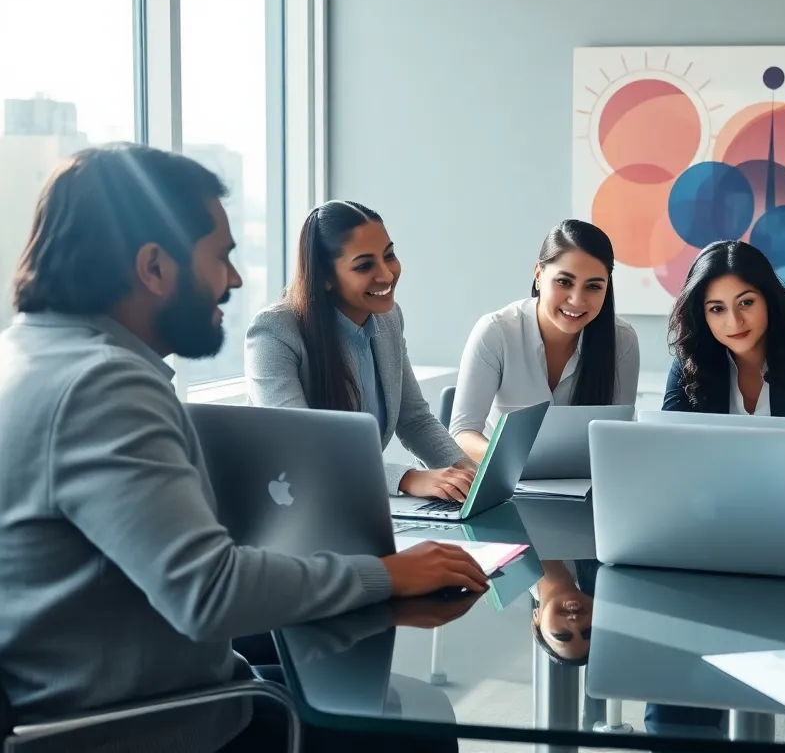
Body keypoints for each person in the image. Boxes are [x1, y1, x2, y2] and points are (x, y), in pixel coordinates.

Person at [0, 143, 490, 753]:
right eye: (221, 257)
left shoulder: (29, 357)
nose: (232, 279)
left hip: (128, 689)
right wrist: (385, 576)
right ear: (154, 267)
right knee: (412, 725)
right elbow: (211, 593)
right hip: (158, 722)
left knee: (346, 680)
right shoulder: (102, 385)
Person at [245, 200, 476, 502]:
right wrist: (407, 478)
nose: (387, 275)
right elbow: (302, 446)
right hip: (285, 503)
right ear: (325, 277)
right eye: (364, 265)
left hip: (354, 501)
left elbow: (414, 420)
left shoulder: (388, 320)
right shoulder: (274, 331)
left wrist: (469, 472)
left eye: (389, 255)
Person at [449, 220, 639, 462]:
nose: (577, 300)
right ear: (538, 275)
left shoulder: (623, 341)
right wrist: (517, 462)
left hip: (583, 486)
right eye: (564, 282)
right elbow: (462, 434)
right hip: (504, 481)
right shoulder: (496, 332)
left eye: (593, 286)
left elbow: (617, 437)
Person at [663, 240, 785, 463]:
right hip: (712, 494)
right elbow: (667, 444)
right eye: (717, 309)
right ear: (703, 315)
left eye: (746, 302)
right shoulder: (691, 357)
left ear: (768, 299)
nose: (735, 321)